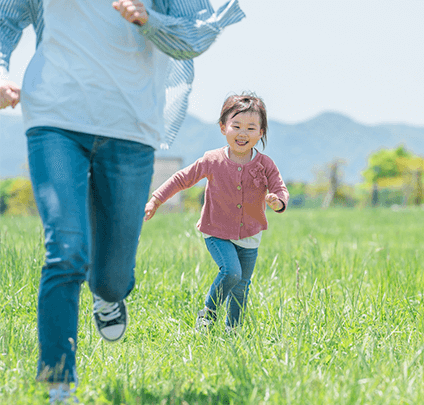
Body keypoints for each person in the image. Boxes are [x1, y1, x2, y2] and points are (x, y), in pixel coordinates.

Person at [0, 0, 245, 402]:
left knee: (113, 278)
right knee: (65, 252)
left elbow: (195, 35)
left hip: (130, 129)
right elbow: (5, 19)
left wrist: (149, 20)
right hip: (54, 118)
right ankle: (59, 386)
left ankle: (108, 294)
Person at [144, 93, 289, 333]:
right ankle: (208, 314)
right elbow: (182, 179)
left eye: (251, 128)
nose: (243, 133)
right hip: (216, 231)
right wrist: (156, 199)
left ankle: (233, 331)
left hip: (250, 234)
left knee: (242, 286)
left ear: (261, 132)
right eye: (237, 126)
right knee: (231, 272)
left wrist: (278, 202)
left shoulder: (265, 164)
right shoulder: (212, 160)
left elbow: (279, 188)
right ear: (223, 127)